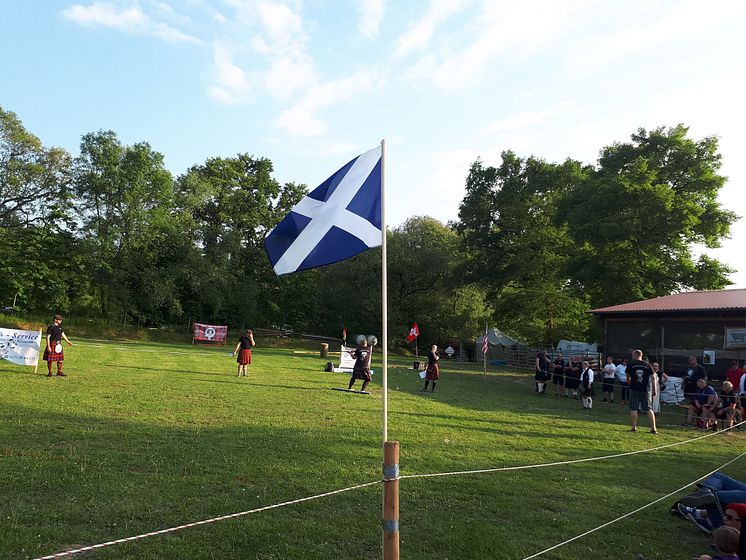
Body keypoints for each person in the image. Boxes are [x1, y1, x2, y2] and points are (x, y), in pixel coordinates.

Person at [627, 349, 657, 433]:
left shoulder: (631, 365)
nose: (632, 356)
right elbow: (653, 377)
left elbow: (627, 378)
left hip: (634, 389)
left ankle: (633, 427)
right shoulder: (647, 365)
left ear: (636, 355)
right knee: (648, 409)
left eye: (633, 355)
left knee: (634, 408)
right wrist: (654, 390)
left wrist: (630, 384)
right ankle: (653, 428)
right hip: (645, 390)